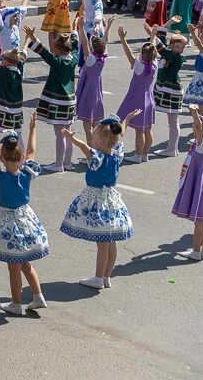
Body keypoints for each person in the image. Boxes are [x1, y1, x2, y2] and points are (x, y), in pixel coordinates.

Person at [0, 118, 49, 315]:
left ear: (1, 157)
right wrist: (33, 129)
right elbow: (32, 150)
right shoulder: (27, 171)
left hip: (7, 222)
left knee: (13, 266)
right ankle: (38, 295)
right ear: (22, 157)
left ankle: (16, 303)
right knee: (25, 262)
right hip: (26, 219)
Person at [61, 112, 137, 289]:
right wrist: (127, 120)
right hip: (111, 200)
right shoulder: (116, 153)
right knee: (111, 242)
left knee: (102, 243)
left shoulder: (98, 157)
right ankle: (106, 276)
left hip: (98, 201)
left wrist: (72, 139)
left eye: (93, 137)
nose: (91, 141)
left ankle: (98, 277)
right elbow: (120, 134)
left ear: (102, 142)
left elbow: (85, 149)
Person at [25, 27, 78, 173]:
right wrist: (74, 31)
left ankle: (59, 164)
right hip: (71, 101)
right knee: (69, 133)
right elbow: (75, 43)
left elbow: (42, 51)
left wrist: (32, 36)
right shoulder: (74, 58)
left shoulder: (56, 62)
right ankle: (67, 162)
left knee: (59, 134)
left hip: (58, 101)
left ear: (58, 49)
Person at [174, 104, 203, 261]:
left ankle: (196, 252)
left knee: (199, 223)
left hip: (200, 186)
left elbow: (199, 125)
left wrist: (193, 111)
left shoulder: (202, 143)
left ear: (202, 131)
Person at [114, 26, 158, 164]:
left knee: (139, 131)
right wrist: (153, 36)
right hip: (149, 99)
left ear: (143, 55)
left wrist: (123, 39)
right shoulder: (154, 64)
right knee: (148, 129)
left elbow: (128, 54)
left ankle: (138, 155)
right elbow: (152, 49)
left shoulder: (139, 66)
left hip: (138, 99)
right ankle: (145, 155)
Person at [152, 31, 188, 158]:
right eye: (177, 46)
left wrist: (162, 87)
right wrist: (155, 31)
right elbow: (161, 44)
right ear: (172, 46)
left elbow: (160, 46)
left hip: (171, 89)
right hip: (171, 89)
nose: (180, 49)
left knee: (173, 120)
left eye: (182, 47)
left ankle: (172, 148)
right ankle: (173, 148)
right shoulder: (169, 53)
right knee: (172, 120)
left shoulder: (175, 57)